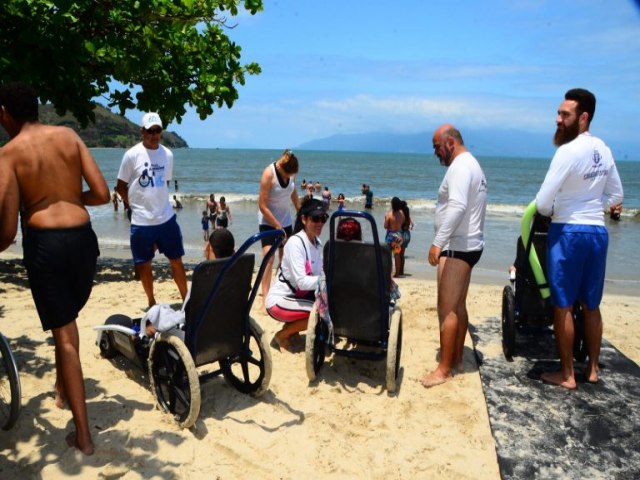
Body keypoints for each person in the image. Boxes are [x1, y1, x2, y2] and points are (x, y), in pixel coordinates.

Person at [0, 82, 110, 455]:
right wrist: (65, 197)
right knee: (68, 322)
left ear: (5, 115)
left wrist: (41, 204)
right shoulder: (69, 136)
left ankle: (83, 437)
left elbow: (7, 230)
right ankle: (63, 392)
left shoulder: (9, 154)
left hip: (47, 246)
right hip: (83, 242)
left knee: (65, 337)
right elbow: (101, 193)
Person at [535, 88, 624, 390]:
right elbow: (616, 195)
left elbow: (544, 201)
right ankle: (594, 369)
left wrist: (559, 209)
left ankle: (568, 374)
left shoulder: (567, 152)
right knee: (591, 305)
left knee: (562, 305)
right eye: (559, 113)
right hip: (597, 233)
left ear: (583, 118)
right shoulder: (604, 149)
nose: (558, 119)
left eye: (565, 115)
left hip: (568, 232)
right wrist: (592, 207)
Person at [421, 124, 487, 389]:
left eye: (437, 146)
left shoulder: (460, 166)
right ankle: (457, 358)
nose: (436, 152)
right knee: (458, 305)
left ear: (450, 143)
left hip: (459, 246)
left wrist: (437, 243)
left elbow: (458, 206)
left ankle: (444, 369)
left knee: (447, 307)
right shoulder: (473, 165)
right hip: (469, 244)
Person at [116, 112, 188, 308]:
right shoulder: (131, 155)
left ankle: (186, 301)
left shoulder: (168, 155)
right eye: (150, 131)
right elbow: (120, 186)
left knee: (177, 261)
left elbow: (163, 183)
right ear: (142, 131)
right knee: (144, 265)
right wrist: (132, 205)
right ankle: (151, 302)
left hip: (166, 219)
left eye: (158, 130)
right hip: (141, 222)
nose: (154, 135)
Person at [145, 228, 235, 337]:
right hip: (228, 333)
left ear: (209, 248)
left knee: (156, 313)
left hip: (199, 338)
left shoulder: (204, 277)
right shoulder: (238, 274)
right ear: (233, 252)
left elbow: (185, 316)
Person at [266, 199, 326, 352]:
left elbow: (319, 274)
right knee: (319, 314)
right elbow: (302, 282)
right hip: (279, 301)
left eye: (323, 218)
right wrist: (328, 280)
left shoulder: (317, 243)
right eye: (315, 218)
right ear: (304, 219)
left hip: (296, 297)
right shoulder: (295, 243)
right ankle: (282, 335)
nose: (320, 223)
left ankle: (292, 328)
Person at [258, 149, 301, 308]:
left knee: (286, 259)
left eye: (290, 176)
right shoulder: (268, 174)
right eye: (286, 174)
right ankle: (265, 299)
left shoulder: (290, 174)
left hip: (286, 221)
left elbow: (293, 193)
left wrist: (301, 212)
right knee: (269, 258)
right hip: (268, 221)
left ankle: (282, 291)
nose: (287, 178)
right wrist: (277, 226)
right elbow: (262, 205)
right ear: (282, 167)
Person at [384, 196, 405, 277]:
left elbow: (385, 226)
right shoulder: (402, 214)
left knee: (388, 255)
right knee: (397, 255)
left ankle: (389, 272)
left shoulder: (389, 215)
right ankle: (397, 273)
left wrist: (385, 219)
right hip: (399, 236)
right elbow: (402, 222)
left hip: (390, 236)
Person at [399, 200, 414, 276]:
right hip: (407, 235)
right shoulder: (408, 217)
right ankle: (401, 271)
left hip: (401, 235)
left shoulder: (401, 217)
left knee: (398, 255)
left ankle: (399, 271)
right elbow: (412, 225)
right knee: (402, 255)